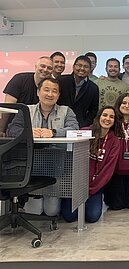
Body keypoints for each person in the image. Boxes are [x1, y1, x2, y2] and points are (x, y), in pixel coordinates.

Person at [6, 77, 79, 216]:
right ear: (38, 92)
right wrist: (27, 132)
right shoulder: (26, 110)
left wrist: (54, 132)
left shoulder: (66, 111)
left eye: (54, 91)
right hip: (31, 166)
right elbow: (12, 130)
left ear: (58, 96)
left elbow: (74, 129)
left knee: (52, 211)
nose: (50, 94)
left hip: (57, 165)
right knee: (34, 211)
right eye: (46, 90)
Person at [61, 106, 120, 223]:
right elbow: (69, 159)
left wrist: (92, 189)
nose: (107, 119)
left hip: (95, 186)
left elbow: (108, 170)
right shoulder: (84, 132)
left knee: (92, 217)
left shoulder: (114, 141)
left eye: (111, 117)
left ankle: (98, 201)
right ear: (98, 117)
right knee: (69, 217)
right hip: (75, 184)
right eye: (105, 115)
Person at [104, 93, 129, 210]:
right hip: (115, 172)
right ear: (119, 104)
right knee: (116, 206)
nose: (127, 106)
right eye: (124, 103)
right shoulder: (112, 122)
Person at [1, 56, 53, 135]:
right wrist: (1, 130)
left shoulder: (52, 86)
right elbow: (7, 108)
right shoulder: (19, 80)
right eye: (42, 66)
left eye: (49, 68)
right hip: (14, 130)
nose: (45, 70)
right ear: (36, 67)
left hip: (39, 131)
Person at [57, 55, 99, 128]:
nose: (82, 68)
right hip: (58, 123)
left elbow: (93, 111)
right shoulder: (61, 81)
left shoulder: (93, 88)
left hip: (80, 127)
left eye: (86, 66)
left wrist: (84, 123)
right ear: (73, 67)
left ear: (90, 69)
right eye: (79, 65)